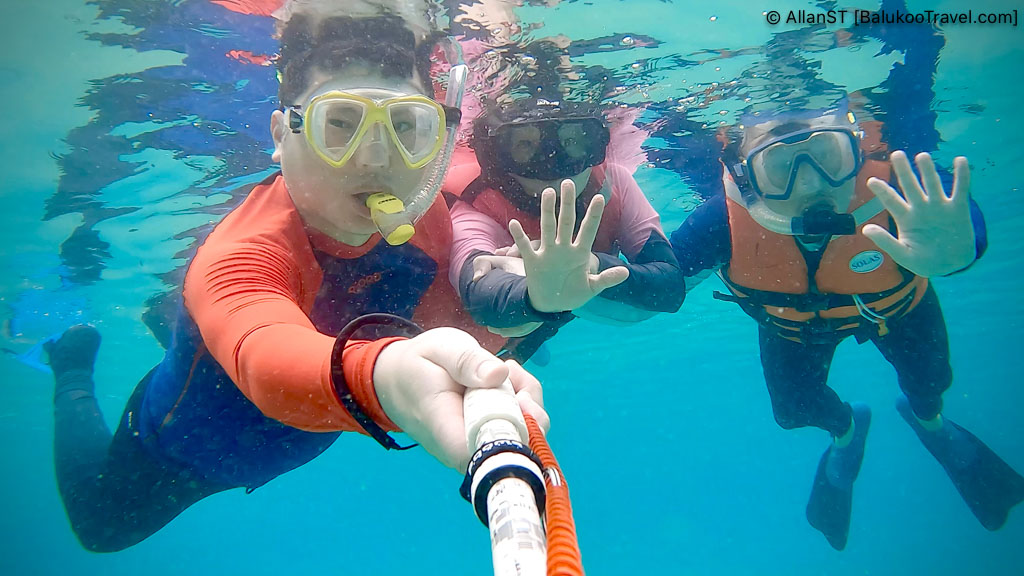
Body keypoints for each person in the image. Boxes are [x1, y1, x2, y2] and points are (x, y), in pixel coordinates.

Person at [45, 8, 548, 553]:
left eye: (407, 126)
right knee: (101, 529)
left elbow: (445, 328)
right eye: (341, 124)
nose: (378, 159)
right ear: (282, 134)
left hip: (302, 428)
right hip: (178, 451)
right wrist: (384, 381)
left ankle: (171, 321)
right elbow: (265, 358)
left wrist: (537, 303)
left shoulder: (426, 221)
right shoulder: (243, 252)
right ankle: (72, 365)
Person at [668, 102, 1024, 550]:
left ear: (856, 150)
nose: (811, 183)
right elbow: (655, 281)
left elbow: (955, 214)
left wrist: (956, 253)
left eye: (829, 155)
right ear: (745, 175)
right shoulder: (722, 219)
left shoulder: (897, 188)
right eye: (780, 167)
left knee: (931, 383)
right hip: (792, 329)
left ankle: (929, 421)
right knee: (793, 412)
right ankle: (846, 430)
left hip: (898, 310)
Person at [446, 97, 685, 362]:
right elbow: (479, 292)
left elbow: (670, 287)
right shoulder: (476, 203)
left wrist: (590, 266)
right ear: (496, 156)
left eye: (571, 142)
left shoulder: (614, 184)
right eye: (525, 144)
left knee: (547, 322)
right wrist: (540, 290)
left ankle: (535, 338)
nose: (551, 161)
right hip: (487, 325)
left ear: (594, 147)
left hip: (557, 310)